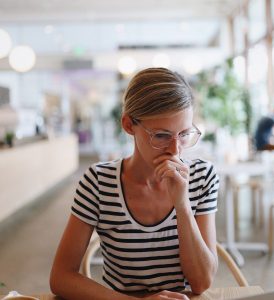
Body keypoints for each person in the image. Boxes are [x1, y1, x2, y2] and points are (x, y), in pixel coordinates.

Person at [50, 68, 220, 300]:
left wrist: (182, 205)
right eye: (161, 136)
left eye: (184, 134)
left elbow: (201, 283)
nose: (175, 149)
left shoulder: (201, 176)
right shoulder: (98, 182)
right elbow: (61, 277)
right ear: (129, 125)